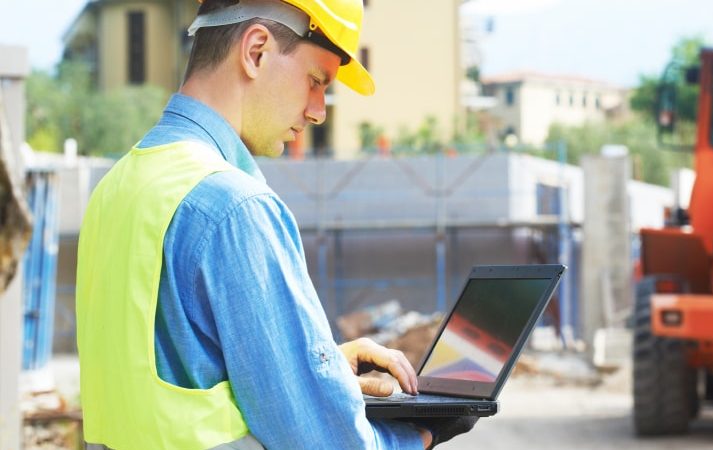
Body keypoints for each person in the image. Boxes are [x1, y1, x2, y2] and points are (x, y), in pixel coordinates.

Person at [75, 0, 476, 448]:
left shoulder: (115, 190)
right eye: (316, 80)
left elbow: (167, 372)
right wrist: (418, 435)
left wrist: (307, 368)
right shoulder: (234, 207)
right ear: (256, 51)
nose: (319, 110)